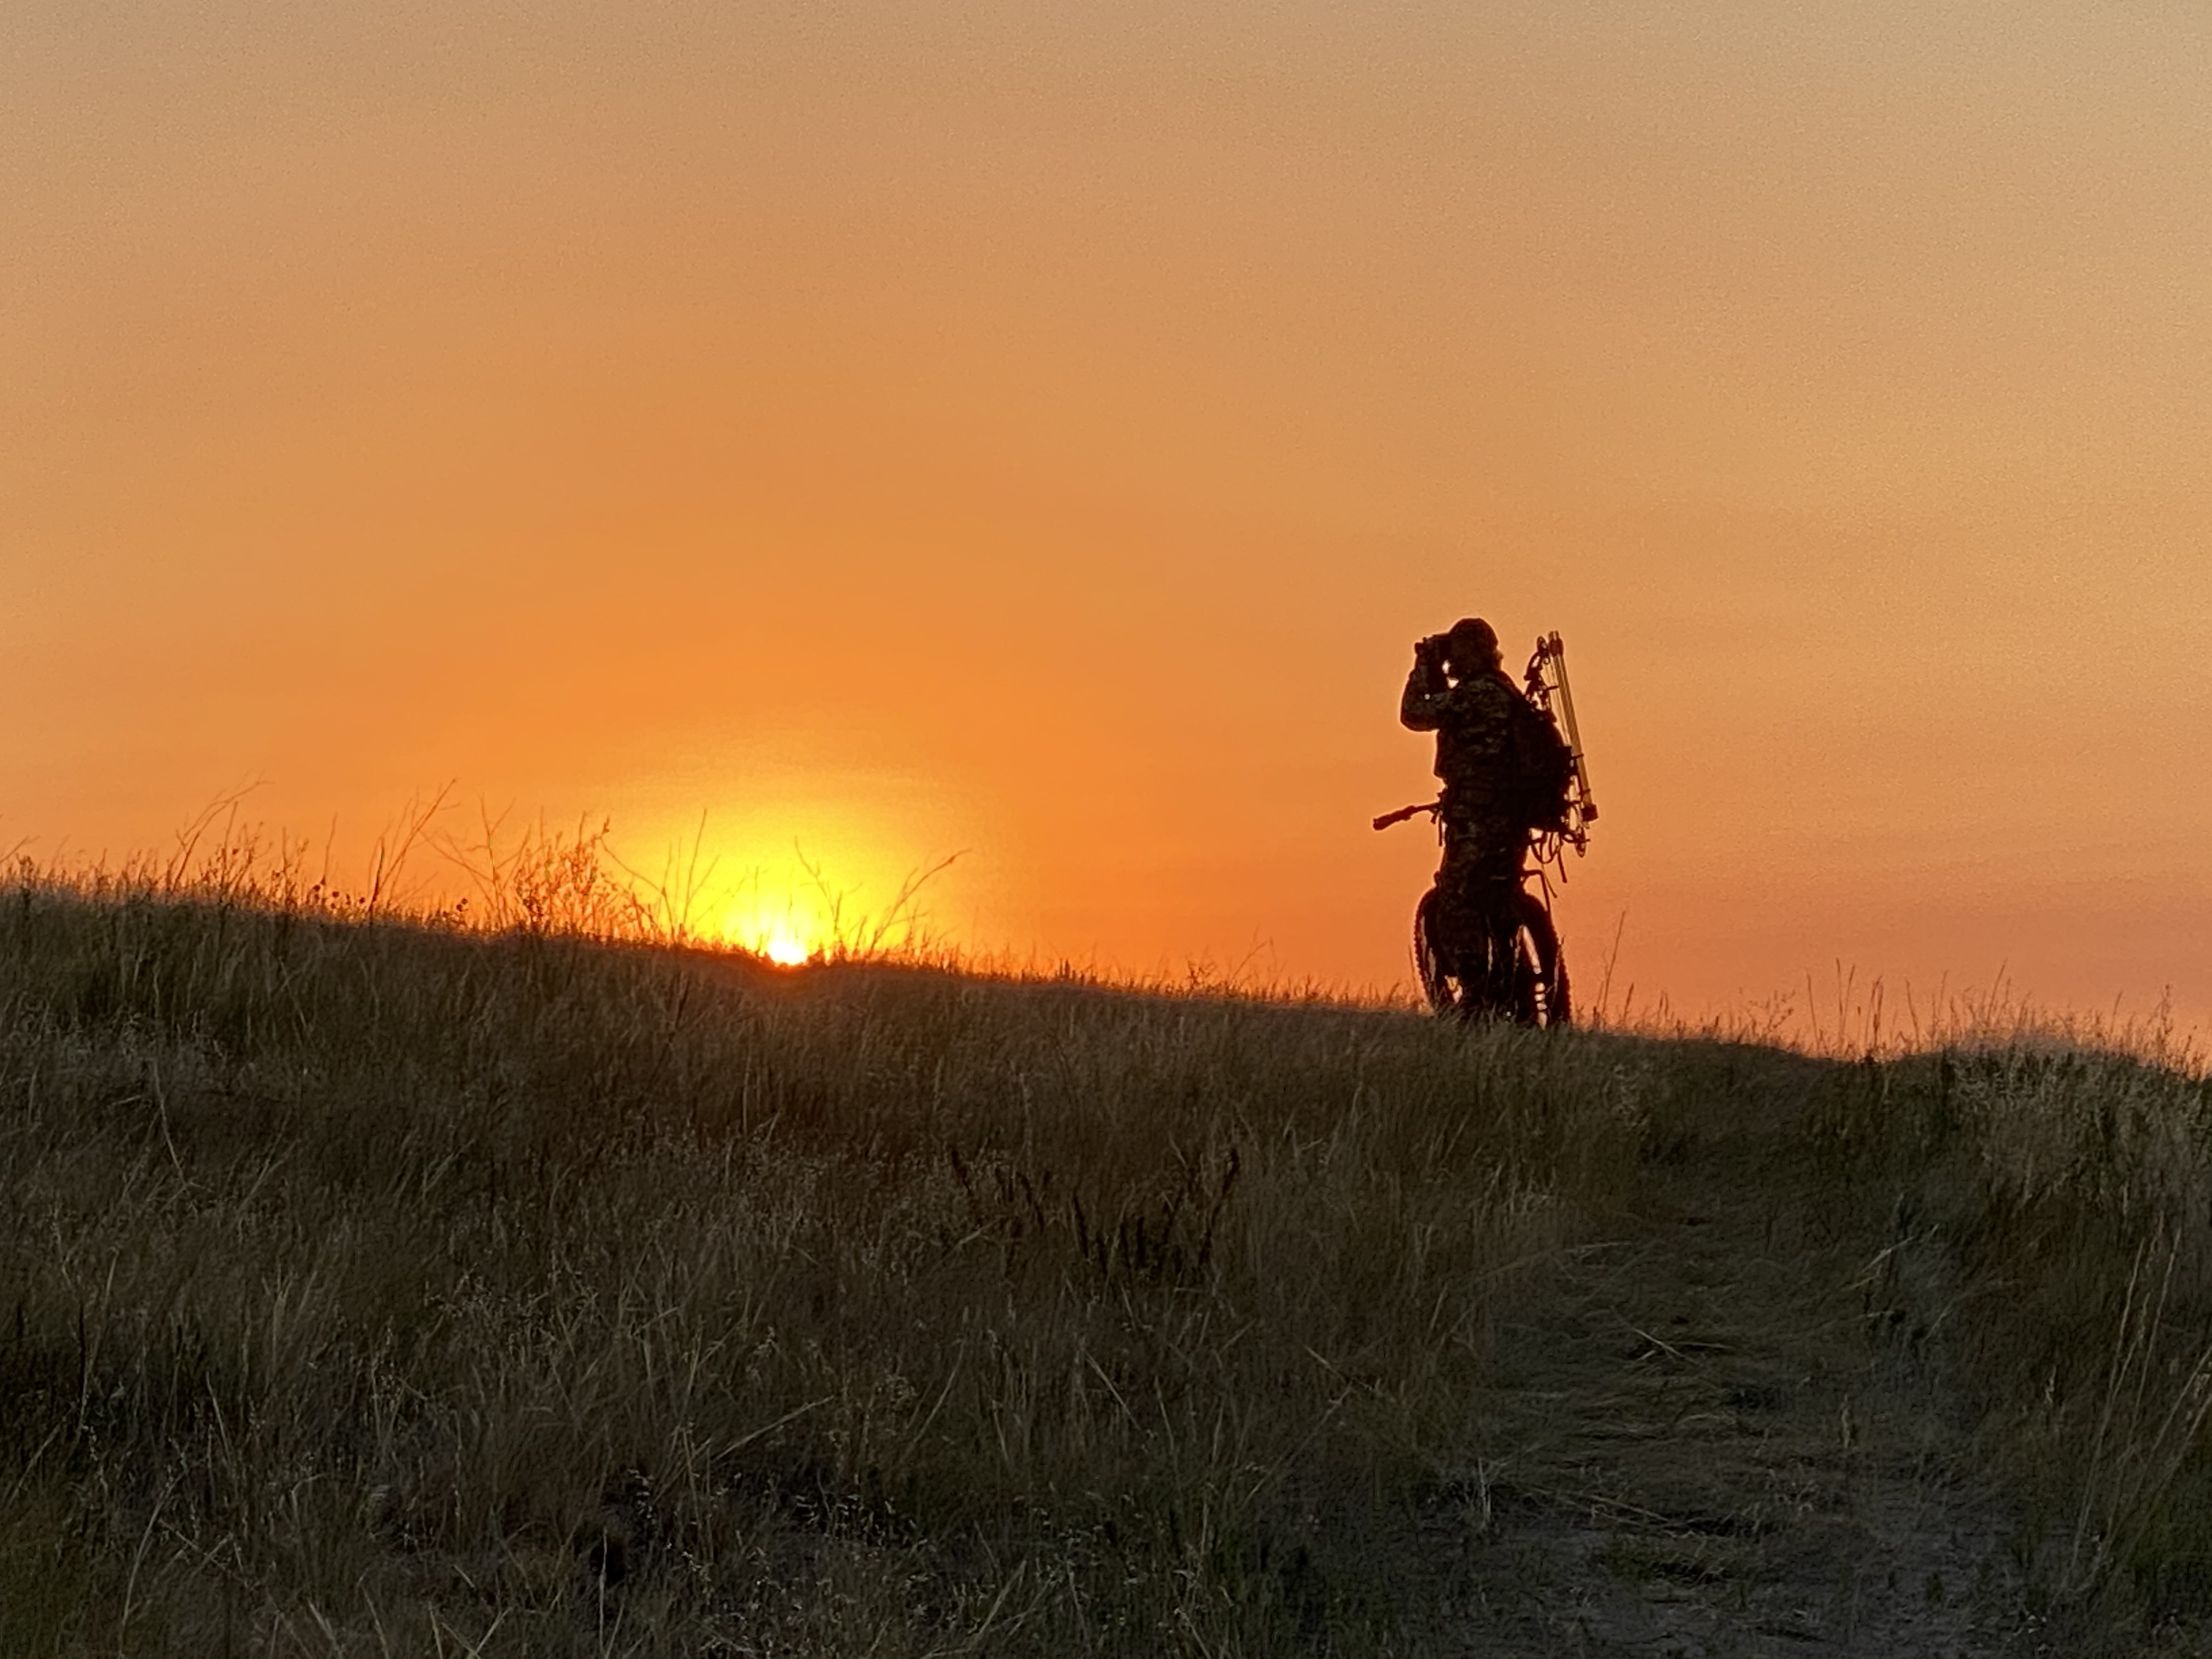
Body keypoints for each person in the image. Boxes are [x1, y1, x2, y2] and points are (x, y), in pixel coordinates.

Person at [1399, 617, 1531, 917]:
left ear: (1469, 651)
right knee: (1500, 889)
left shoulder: (1475, 693)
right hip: (1515, 812)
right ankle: (1512, 955)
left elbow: (1414, 713)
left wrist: (1422, 665)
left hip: (1478, 812)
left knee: (1455, 899)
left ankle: (1469, 963)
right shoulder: (1505, 691)